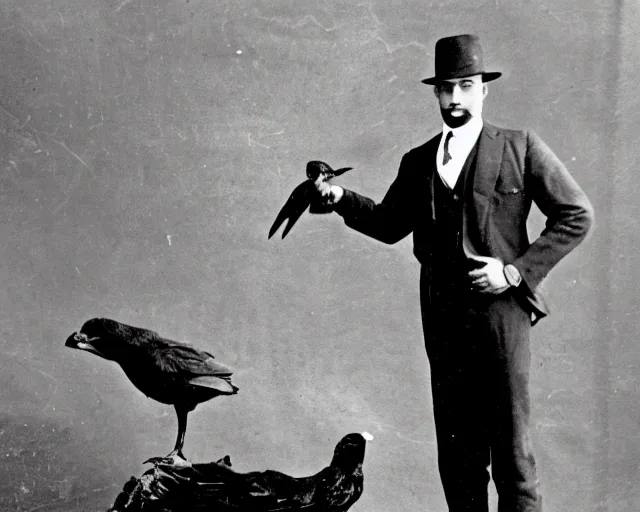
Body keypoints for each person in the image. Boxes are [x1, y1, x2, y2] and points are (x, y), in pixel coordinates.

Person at [312, 34, 594, 512]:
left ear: (484, 90)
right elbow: (388, 224)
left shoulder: (520, 148)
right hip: (443, 326)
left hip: (502, 321)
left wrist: (513, 273)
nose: (456, 98)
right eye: (447, 88)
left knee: (512, 460)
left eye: (466, 85)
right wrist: (341, 199)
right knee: (459, 463)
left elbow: (576, 214)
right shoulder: (418, 161)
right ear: (436, 94)